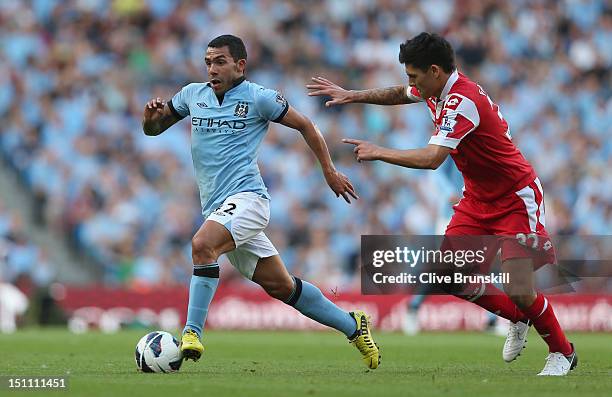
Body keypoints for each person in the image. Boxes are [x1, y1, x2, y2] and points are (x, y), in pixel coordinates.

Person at [307, 32, 576, 376]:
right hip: (477, 199)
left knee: (519, 288)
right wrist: (352, 95)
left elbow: (433, 158)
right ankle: (519, 316)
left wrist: (379, 151)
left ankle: (562, 352)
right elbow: (398, 94)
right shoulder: (435, 88)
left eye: (414, 76)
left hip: (514, 198)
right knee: (451, 276)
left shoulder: (461, 100)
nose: (411, 83)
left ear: (435, 71)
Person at [142, 35, 380, 369]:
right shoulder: (192, 95)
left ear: (240, 65)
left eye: (220, 61)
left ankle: (191, 333)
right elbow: (153, 130)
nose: (212, 68)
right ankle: (353, 326)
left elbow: (306, 125)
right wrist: (149, 119)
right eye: (208, 61)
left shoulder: (258, 98)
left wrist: (328, 170)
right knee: (281, 287)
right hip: (218, 208)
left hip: (249, 200)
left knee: (202, 245)